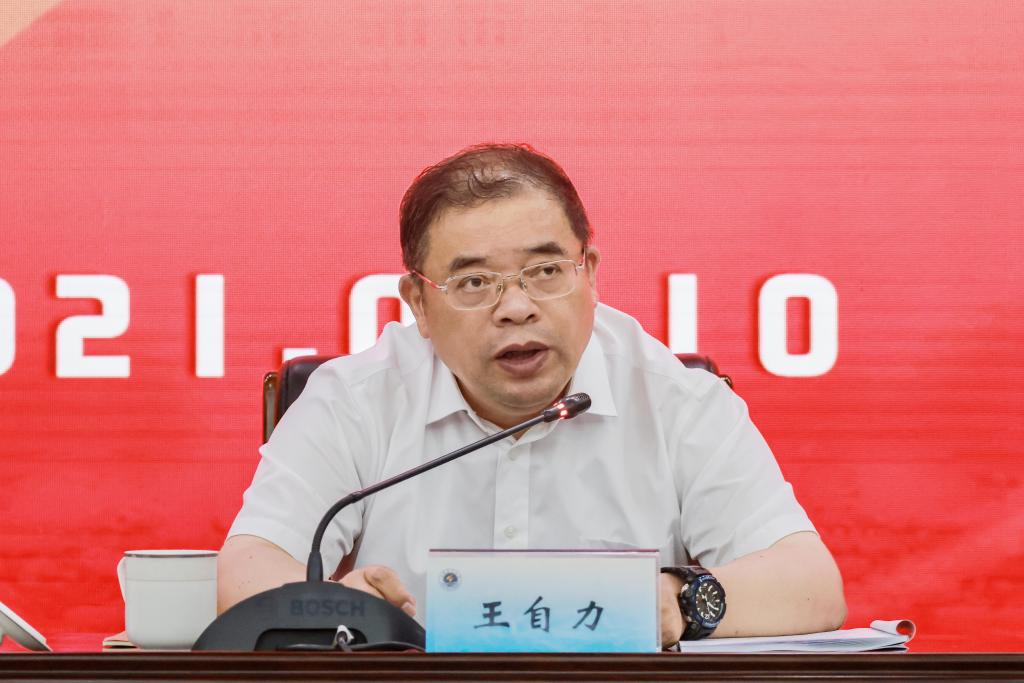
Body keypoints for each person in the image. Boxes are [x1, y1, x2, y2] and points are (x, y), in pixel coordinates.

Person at [219, 143, 846, 647]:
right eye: (474, 282)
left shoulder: (677, 401)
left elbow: (810, 583)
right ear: (420, 306)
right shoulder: (354, 400)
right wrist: (336, 609)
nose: (516, 307)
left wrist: (679, 602)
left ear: (589, 275)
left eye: (546, 272)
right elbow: (248, 569)